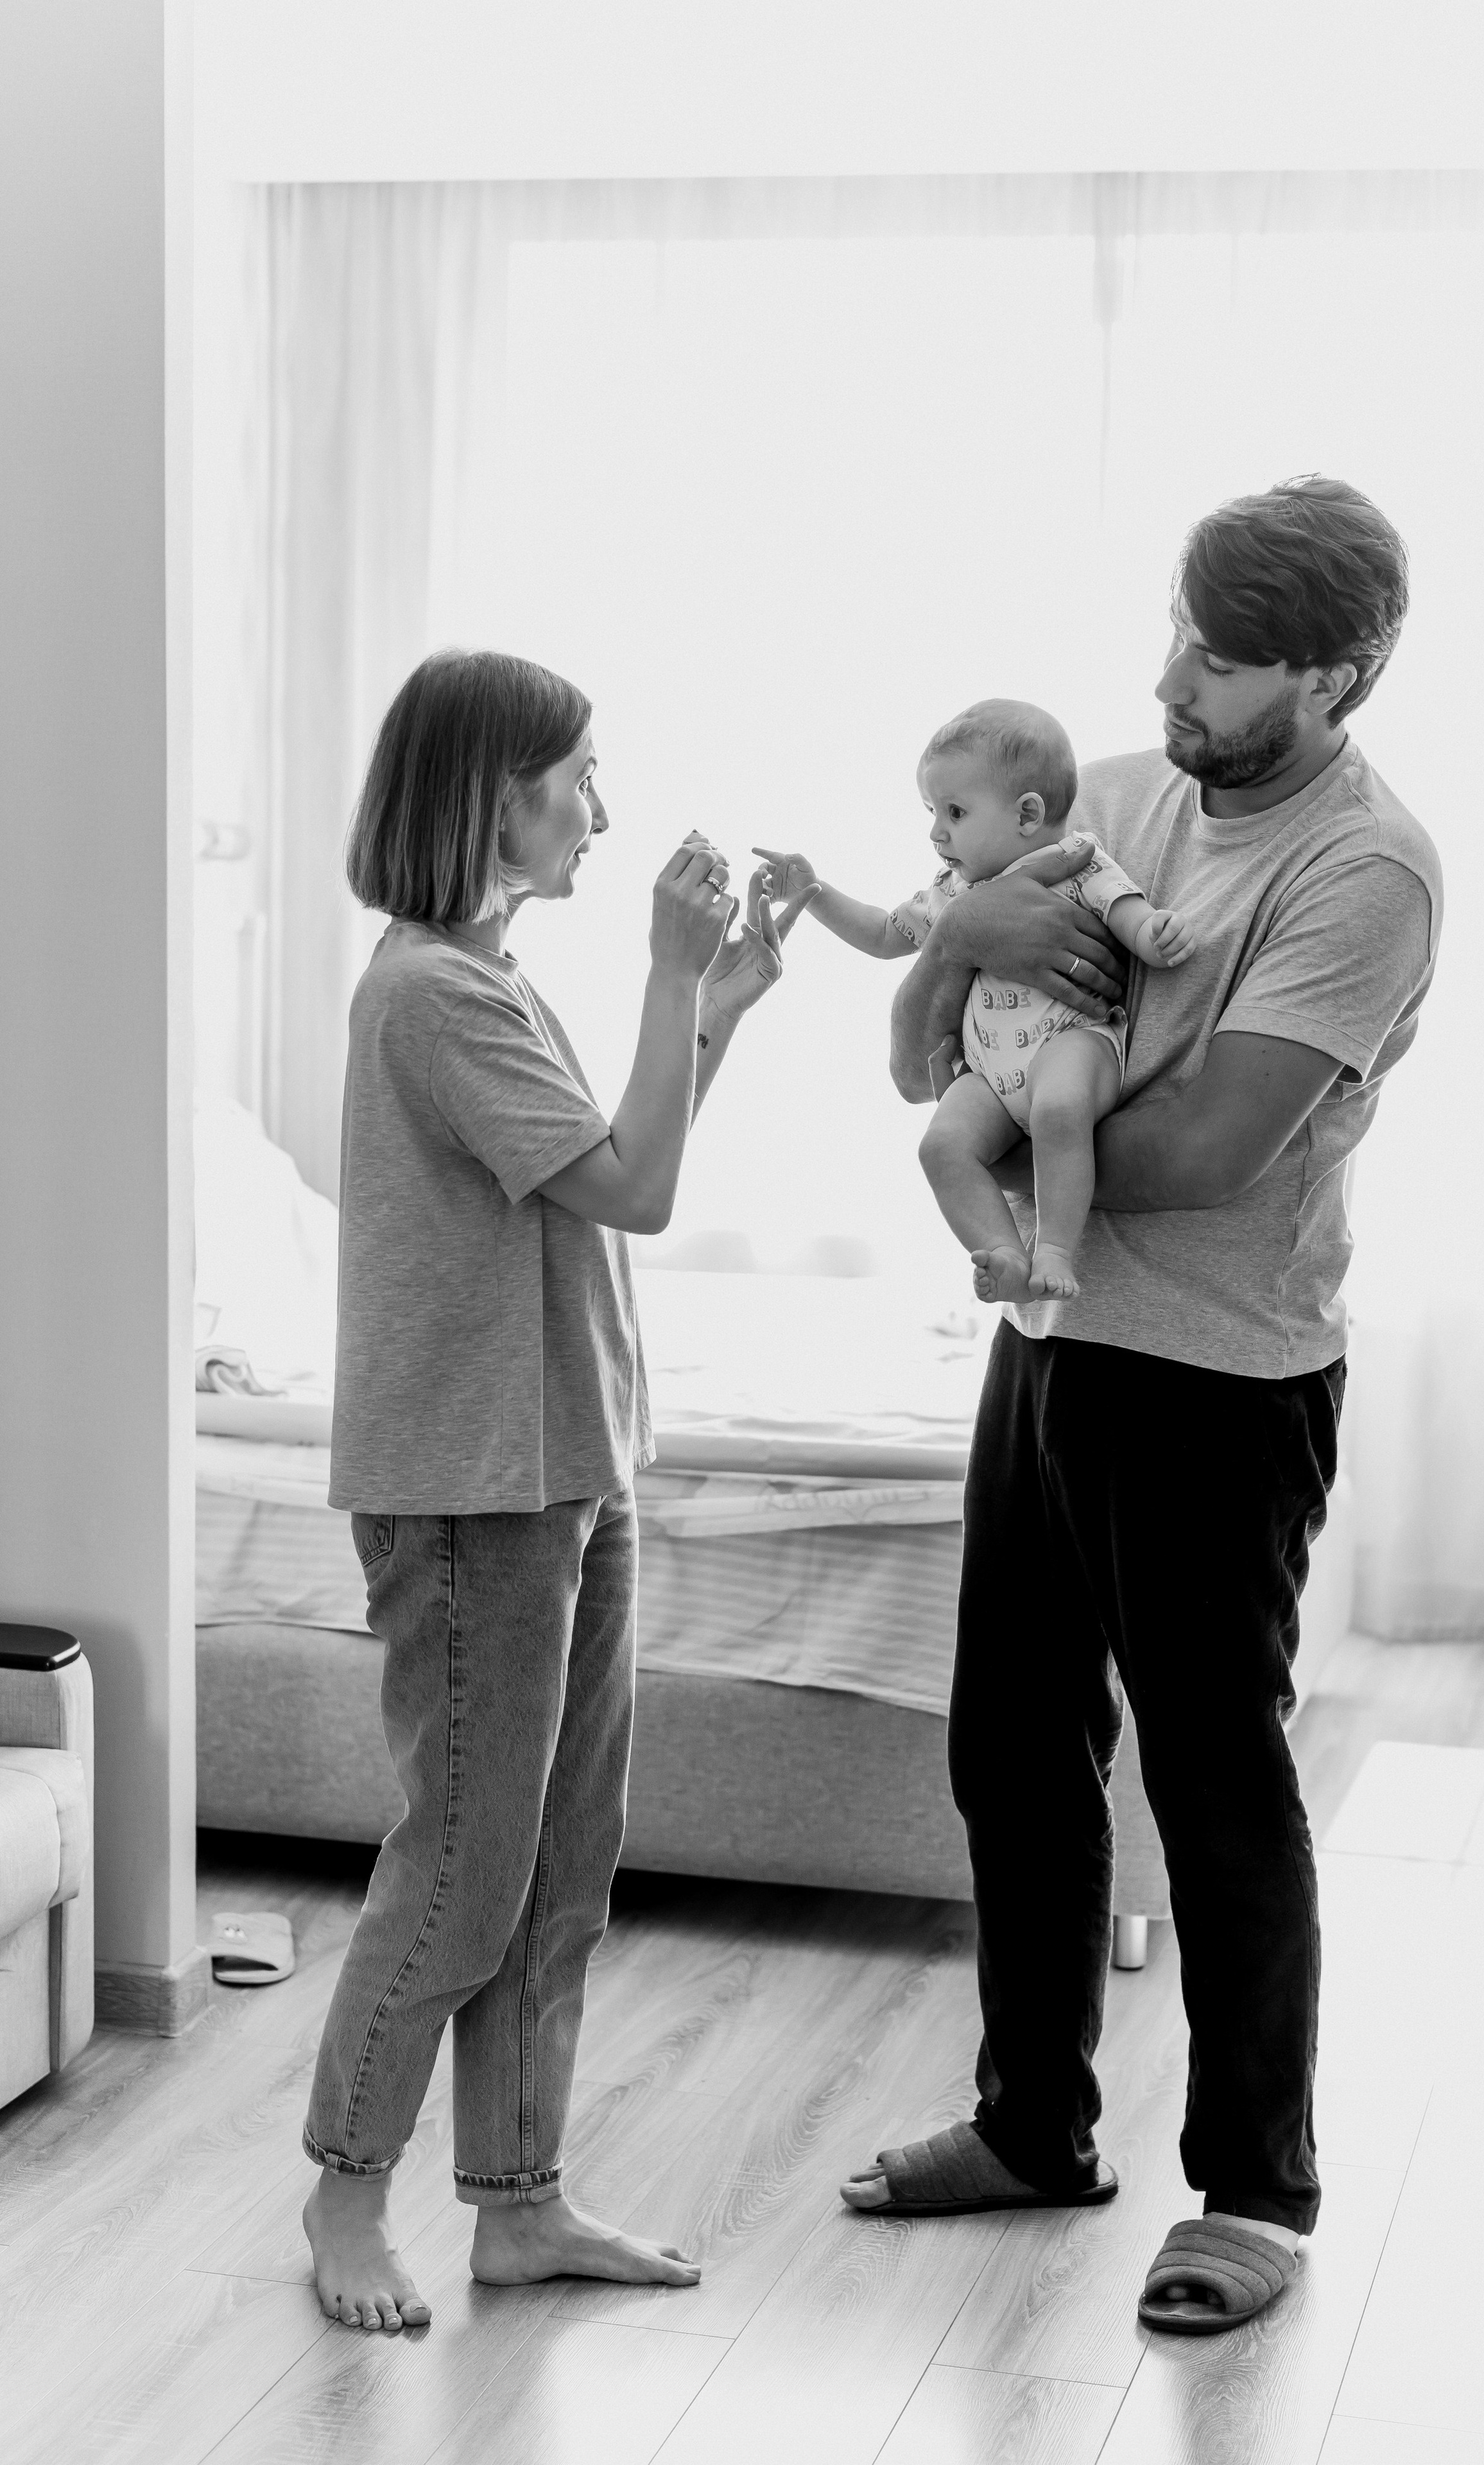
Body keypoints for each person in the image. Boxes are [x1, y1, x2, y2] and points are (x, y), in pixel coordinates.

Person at [839, 477, 1442, 2336]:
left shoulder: (1365, 871)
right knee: (1011, 1748)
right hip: (1051, 1339)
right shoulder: (1103, 792)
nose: (1174, 679)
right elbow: (917, 1061)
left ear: (1331, 676)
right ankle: (1033, 2125)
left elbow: (1205, 1146)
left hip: (1218, 1376)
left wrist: (1002, 1146)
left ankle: (1254, 2191)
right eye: (1177, 631)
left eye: (1224, 659)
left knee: (1213, 1779)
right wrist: (957, 941)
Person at [301, 648, 808, 2333]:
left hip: (565, 1463)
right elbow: (639, 1193)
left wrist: (712, 1001)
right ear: (493, 800)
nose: (602, 808)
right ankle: (345, 2197)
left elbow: (605, 1171)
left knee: (559, 1869)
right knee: (466, 1868)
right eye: (579, 778)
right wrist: (670, 974)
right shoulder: (433, 995)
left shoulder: (487, 979)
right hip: (475, 1491)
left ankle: (516, 2206)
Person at [754, 700, 1193, 1304]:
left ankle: (1055, 1250)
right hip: (989, 1075)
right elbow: (882, 934)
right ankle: (1005, 1252)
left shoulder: (1074, 863)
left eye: (955, 812)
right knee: (940, 1146)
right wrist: (814, 891)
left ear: (1028, 813)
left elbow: (1127, 913)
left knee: (1060, 1110)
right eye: (932, 812)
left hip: (1071, 1042)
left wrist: (1155, 936)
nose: (937, 832)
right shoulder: (951, 893)